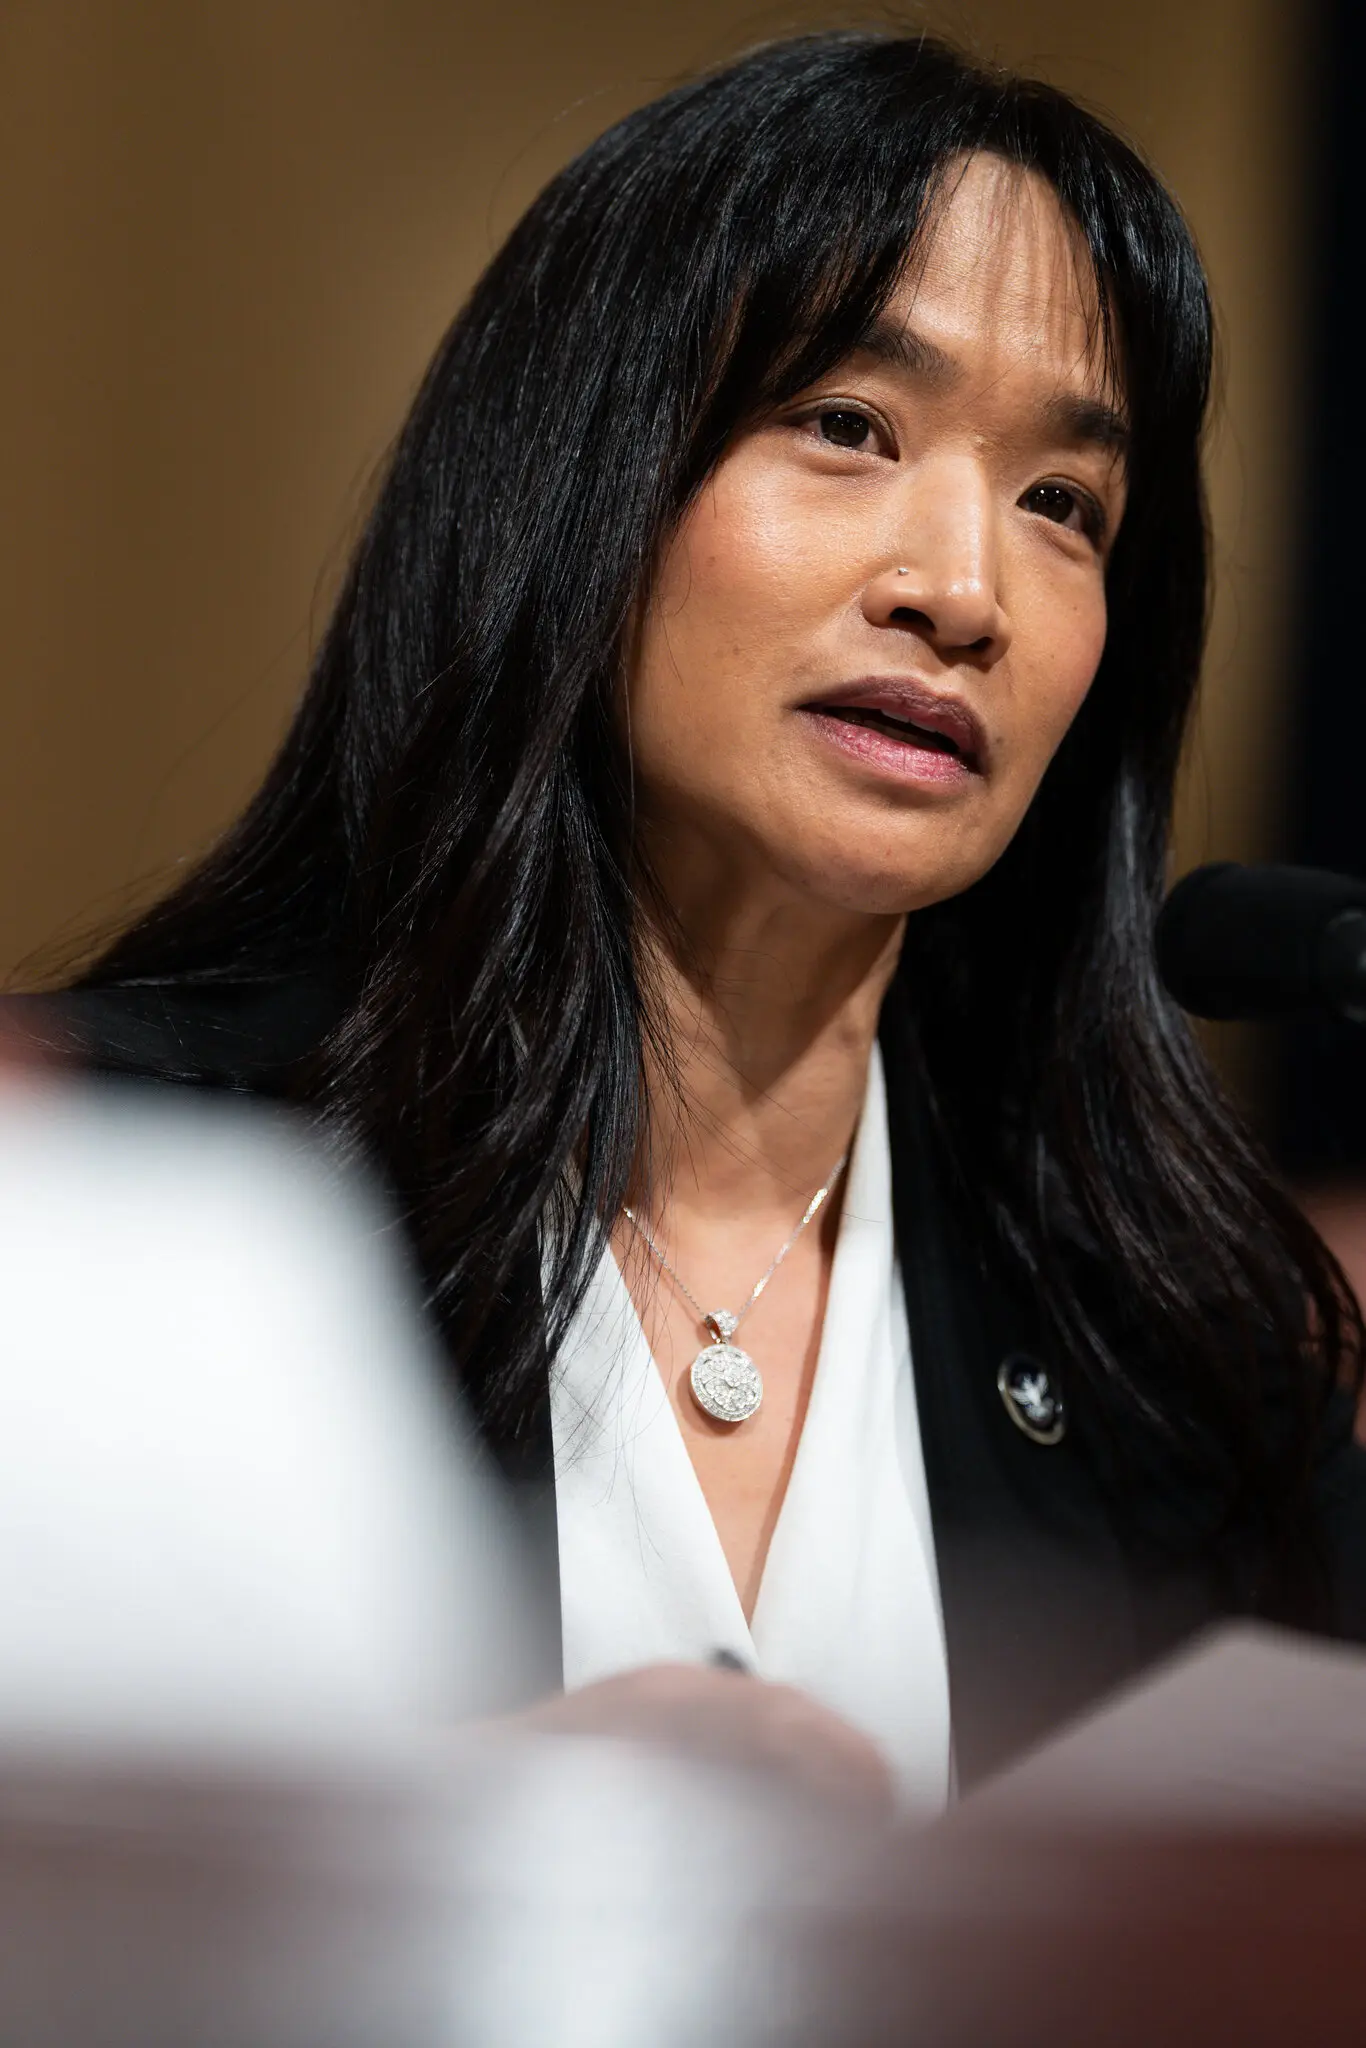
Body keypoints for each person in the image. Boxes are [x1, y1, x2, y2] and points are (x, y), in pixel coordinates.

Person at [19, 30, 1366, 1809]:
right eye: (846, 426)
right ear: (582, 476)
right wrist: (399, 1852)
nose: (960, 590)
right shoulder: (145, 1213)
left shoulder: (1172, 1367)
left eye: (1063, 507)